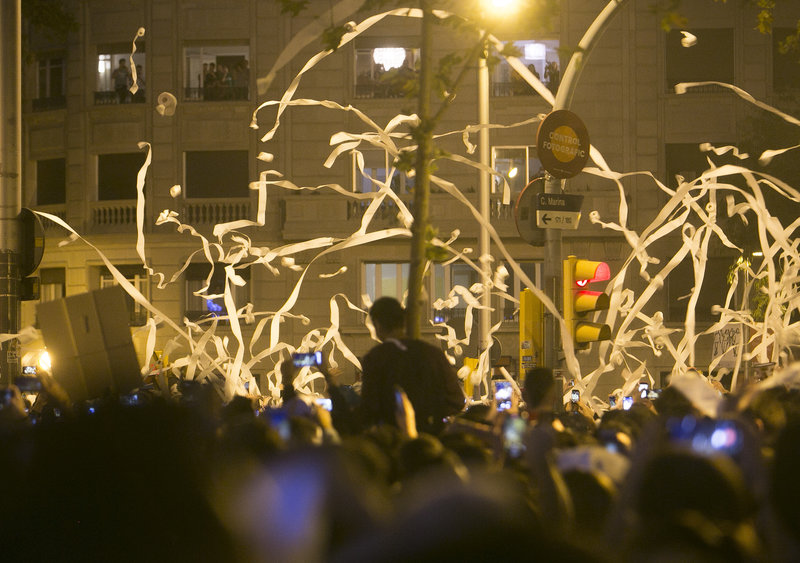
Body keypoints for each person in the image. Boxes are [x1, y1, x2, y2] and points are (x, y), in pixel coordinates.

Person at [359, 297, 465, 434]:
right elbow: (456, 400)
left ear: (378, 325)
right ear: (403, 321)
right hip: (431, 437)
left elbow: (369, 407)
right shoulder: (433, 353)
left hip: (394, 440)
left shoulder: (375, 358)